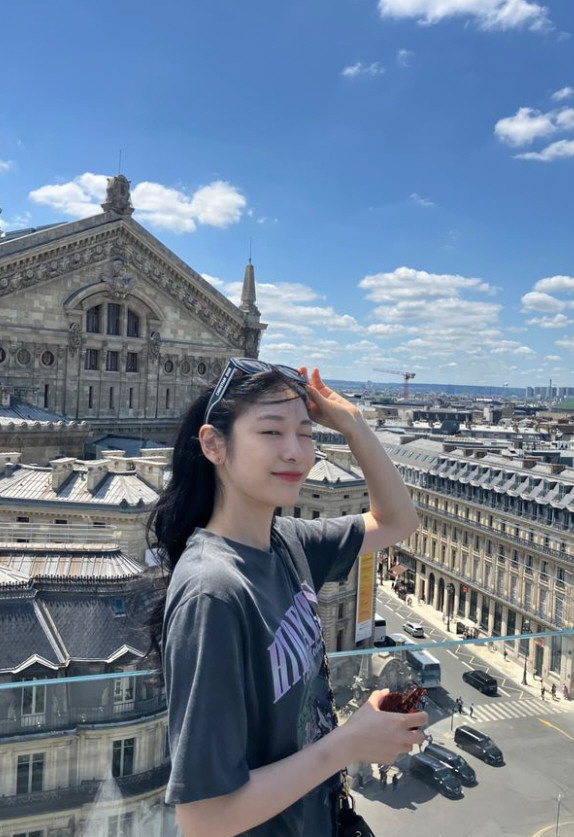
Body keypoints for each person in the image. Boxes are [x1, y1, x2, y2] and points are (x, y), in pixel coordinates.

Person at [149, 360, 426, 837]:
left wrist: (353, 425)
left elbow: (398, 521)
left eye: (306, 433)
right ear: (214, 445)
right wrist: (347, 744)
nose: (297, 452)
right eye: (272, 432)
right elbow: (203, 820)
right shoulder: (212, 591)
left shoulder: (286, 542)